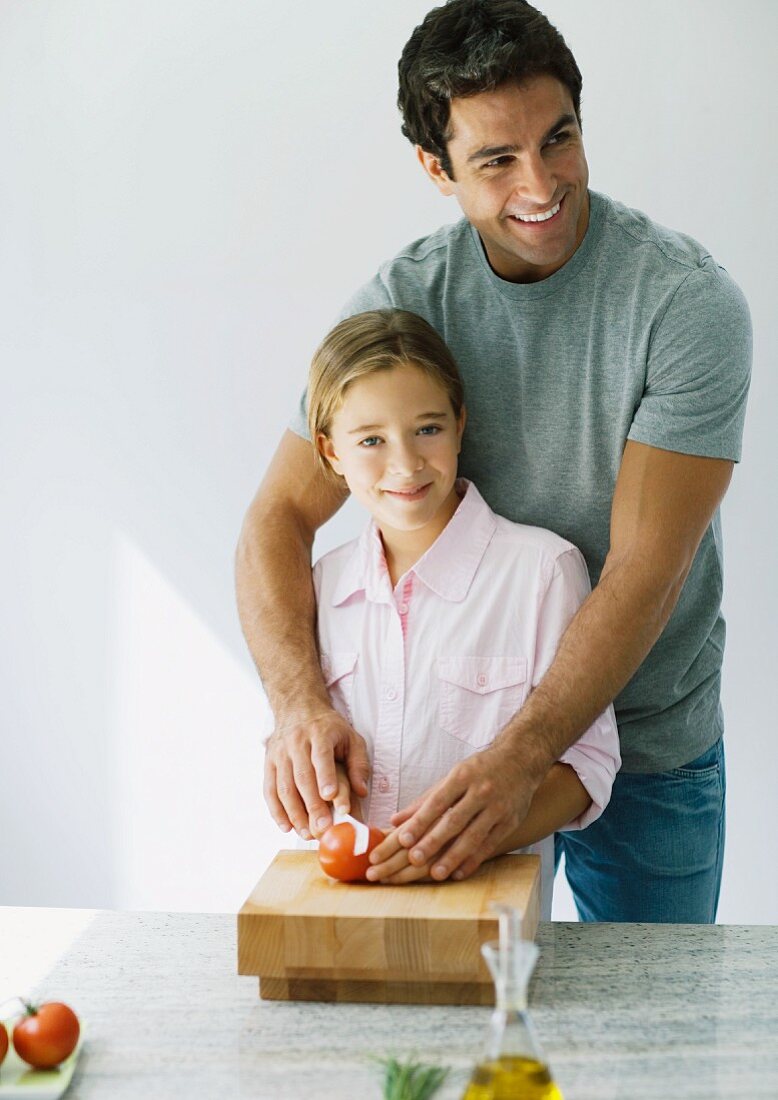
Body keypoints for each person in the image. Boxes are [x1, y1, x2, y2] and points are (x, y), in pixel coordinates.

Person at [236, 0, 752, 922]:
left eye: (559, 139)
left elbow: (644, 570)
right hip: (451, 754)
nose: (542, 183)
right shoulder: (406, 301)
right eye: (496, 160)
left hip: (650, 741)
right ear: (436, 169)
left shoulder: (685, 304)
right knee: (469, 1035)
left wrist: (522, 761)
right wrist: (300, 707)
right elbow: (278, 516)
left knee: (644, 1047)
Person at [301, 307, 620, 917]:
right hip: (345, 907)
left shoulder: (541, 571)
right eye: (370, 440)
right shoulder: (323, 583)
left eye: (427, 429)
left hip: (485, 914)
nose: (405, 464)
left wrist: (466, 840)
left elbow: (590, 765)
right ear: (330, 452)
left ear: (460, 424)